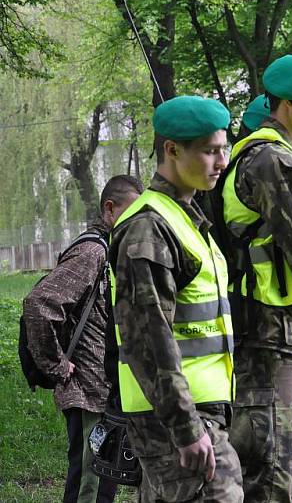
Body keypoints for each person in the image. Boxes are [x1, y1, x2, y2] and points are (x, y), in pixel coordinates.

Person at [111, 96, 243, 502]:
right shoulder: (150, 227)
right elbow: (149, 339)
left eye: (223, 149)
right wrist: (186, 428)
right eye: (209, 151)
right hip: (178, 416)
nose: (221, 162)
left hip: (192, 411)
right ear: (171, 150)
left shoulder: (184, 218)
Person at [224, 53, 292, 503]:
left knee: (264, 465)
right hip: (269, 332)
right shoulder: (274, 160)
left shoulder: (258, 153)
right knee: (270, 475)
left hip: (268, 329)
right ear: (289, 102)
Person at [23, 175, 142, 503]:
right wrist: (57, 366)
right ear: (109, 208)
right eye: (132, 212)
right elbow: (39, 305)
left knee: (104, 483)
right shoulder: (93, 251)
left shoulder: (110, 250)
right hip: (86, 391)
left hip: (102, 391)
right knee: (87, 488)